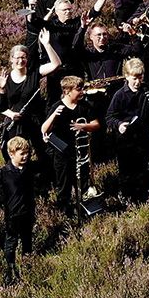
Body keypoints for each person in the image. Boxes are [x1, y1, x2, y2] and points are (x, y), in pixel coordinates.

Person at [0, 30, 61, 162]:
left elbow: (56, 64)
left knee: (44, 154)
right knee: (15, 156)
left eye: (23, 57)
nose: (20, 60)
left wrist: (46, 44)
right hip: (14, 123)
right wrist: (10, 114)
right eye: (17, 58)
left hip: (35, 121)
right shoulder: (4, 79)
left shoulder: (35, 73)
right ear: (11, 59)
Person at [105, 58, 149, 203]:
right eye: (134, 78)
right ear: (126, 76)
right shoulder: (119, 95)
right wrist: (119, 124)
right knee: (127, 170)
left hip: (143, 135)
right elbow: (109, 117)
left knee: (142, 167)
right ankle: (126, 197)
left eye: (140, 77)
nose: (137, 82)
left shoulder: (147, 91)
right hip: (125, 138)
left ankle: (141, 198)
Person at [41, 76, 100, 215]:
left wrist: (83, 126)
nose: (82, 92)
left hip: (80, 152)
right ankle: (65, 212)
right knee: (64, 184)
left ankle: (86, 209)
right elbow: (44, 129)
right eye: (78, 89)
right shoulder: (57, 107)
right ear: (67, 91)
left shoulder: (84, 106)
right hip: (62, 154)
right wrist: (54, 115)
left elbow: (96, 124)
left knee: (83, 182)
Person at [0, 135, 37, 282]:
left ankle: (28, 267)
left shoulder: (30, 168)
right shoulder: (4, 172)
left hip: (28, 212)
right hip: (12, 215)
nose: (25, 156)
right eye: (22, 154)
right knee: (11, 243)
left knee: (27, 241)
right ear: (11, 154)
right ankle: (10, 270)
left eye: (27, 153)